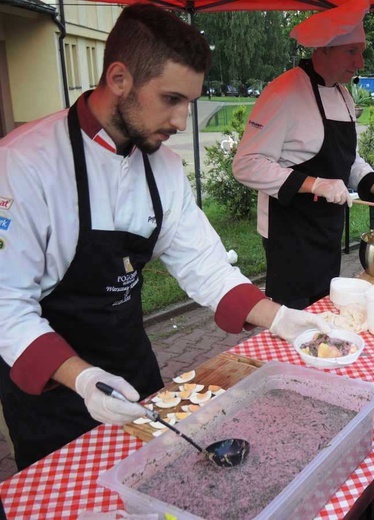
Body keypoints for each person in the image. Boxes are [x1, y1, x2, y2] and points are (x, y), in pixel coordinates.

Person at [0, 3, 329, 471]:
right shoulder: (23, 165)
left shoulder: (164, 168)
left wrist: (283, 320)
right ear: (119, 79)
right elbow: (6, 303)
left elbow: (207, 268)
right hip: (53, 393)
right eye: (171, 99)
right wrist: (85, 378)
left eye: (189, 102)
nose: (181, 121)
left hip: (134, 370)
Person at [233, 0, 374, 310]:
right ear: (324, 50)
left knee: (323, 311)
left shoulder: (344, 96)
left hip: (327, 232)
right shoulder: (284, 92)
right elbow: (246, 164)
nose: (360, 62)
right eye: (352, 51)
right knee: (291, 318)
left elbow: (349, 160)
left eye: (361, 51)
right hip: (289, 235)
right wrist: (315, 184)